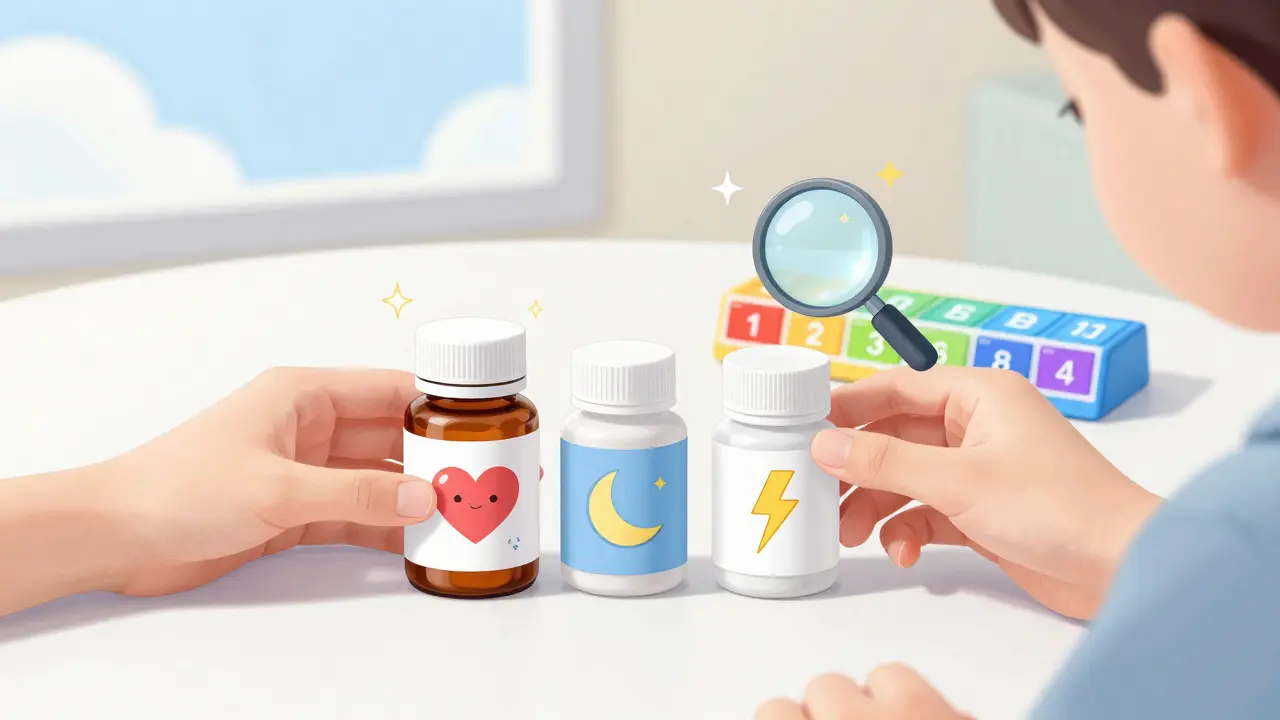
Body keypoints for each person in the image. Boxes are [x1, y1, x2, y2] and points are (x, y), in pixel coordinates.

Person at [756, 0, 1280, 718]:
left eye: (1079, 109)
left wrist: (1216, 564)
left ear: (1204, 101)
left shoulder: (1247, 544)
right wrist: (1129, 543)